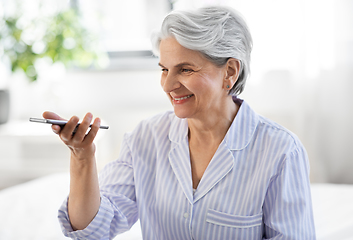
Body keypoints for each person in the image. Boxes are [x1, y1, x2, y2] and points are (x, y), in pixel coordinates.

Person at [44, 5, 316, 239]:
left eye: (185, 69)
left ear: (230, 72)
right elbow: (94, 230)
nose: (168, 85)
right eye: (164, 69)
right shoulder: (145, 138)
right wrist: (82, 156)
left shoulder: (281, 152)